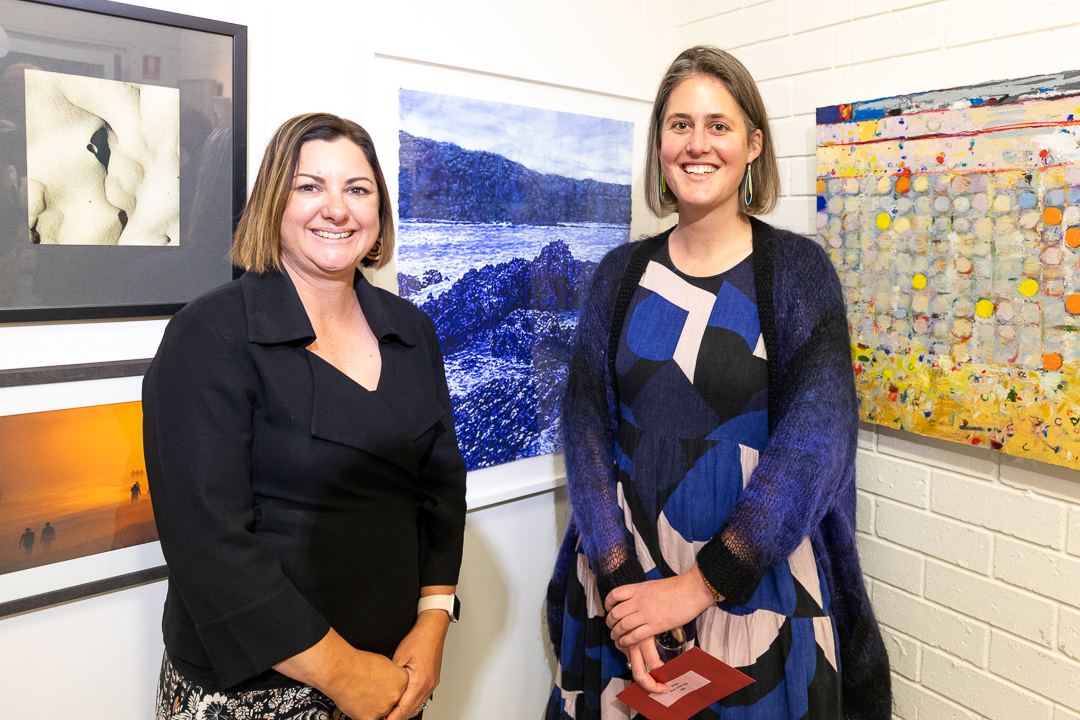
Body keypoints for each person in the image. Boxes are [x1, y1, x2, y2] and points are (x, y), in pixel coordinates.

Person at [545, 46, 890, 720]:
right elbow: (584, 426)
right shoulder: (618, 274)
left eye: (719, 125)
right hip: (627, 592)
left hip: (755, 583)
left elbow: (815, 443)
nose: (696, 144)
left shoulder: (797, 272)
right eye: (679, 125)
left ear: (754, 143)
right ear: (659, 144)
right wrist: (622, 587)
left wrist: (701, 586)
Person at [144, 113, 467, 720]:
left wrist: (432, 624)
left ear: (379, 213)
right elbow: (208, 546)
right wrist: (344, 675)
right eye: (309, 186)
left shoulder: (412, 332)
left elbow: (442, 492)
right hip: (255, 690)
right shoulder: (209, 335)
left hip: (390, 677)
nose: (336, 208)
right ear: (273, 203)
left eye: (358, 188)